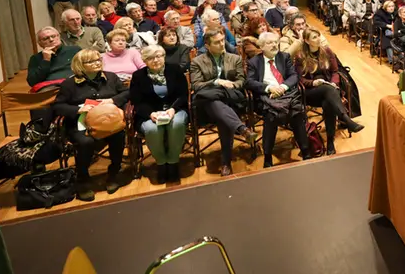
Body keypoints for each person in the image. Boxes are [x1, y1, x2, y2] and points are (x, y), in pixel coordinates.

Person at [53, 49, 128, 201]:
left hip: (109, 121)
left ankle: (114, 173)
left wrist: (112, 101)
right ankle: (83, 178)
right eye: (91, 61)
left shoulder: (111, 77)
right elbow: (58, 106)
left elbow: (127, 93)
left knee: (118, 135)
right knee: (85, 142)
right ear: (80, 65)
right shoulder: (70, 84)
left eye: (98, 60)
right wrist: (79, 109)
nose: (97, 63)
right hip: (81, 124)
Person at [190, 30, 256, 176]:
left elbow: (241, 80)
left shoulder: (235, 58)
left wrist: (233, 85)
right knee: (214, 104)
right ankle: (242, 130)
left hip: (231, 101)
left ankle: (226, 163)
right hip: (206, 106)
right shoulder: (197, 62)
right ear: (207, 45)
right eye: (217, 42)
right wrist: (216, 82)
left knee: (222, 114)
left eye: (222, 40)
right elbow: (196, 85)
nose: (222, 44)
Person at [293, 27, 364, 156]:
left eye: (318, 36)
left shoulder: (326, 51)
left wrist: (334, 83)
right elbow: (299, 79)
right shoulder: (300, 56)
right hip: (310, 92)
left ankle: (330, 141)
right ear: (307, 41)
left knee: (328, 104)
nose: (318, 39)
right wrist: (313, 83)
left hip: (329, 91)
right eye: (314, 37)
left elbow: (335, 71)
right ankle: (346, 119)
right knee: (328, 90)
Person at [246, 32, 312, 167]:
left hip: (286, 93)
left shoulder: (284, 57)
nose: (274, 45)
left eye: (275, 42)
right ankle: (268, 156)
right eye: (270, 43)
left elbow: (293, 76)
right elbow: (250, 82)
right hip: (266, 97)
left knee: (297, 113)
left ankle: (305, 151)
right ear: (262, 46)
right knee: (271, 116)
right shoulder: (254, 62)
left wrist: (283, 87)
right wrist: (269, 88)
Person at [129, 45, 189, 184]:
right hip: (150, 113)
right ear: (144, 60)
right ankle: (161, 163)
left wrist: (173, 109)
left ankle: (173, 162)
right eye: (150, 58)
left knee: (177, 124)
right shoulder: (138, 76)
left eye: (158, 56)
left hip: (176, 110)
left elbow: (183, 95)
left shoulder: (174, 70)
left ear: (163, 57)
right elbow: (136, 101)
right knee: (152, 129)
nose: (155, 60)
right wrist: (151, 113)